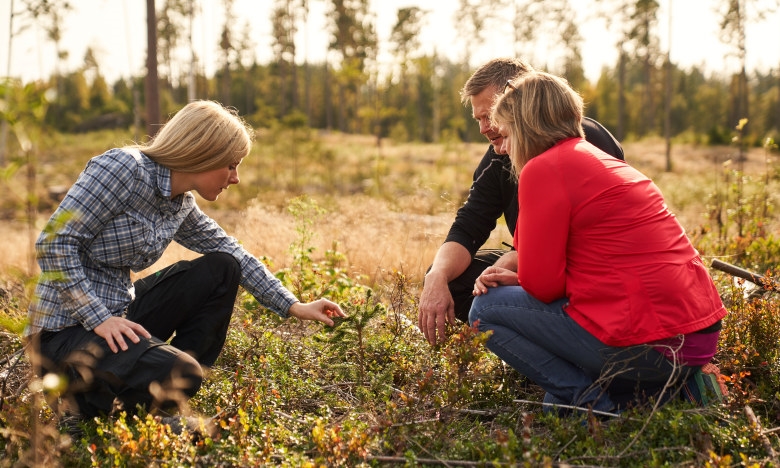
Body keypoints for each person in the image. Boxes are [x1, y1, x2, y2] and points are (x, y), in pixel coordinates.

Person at [25, 100, 345, 424]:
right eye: (232, 165)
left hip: (118, 320)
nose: (235, 178)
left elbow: (233, 252)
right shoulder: (123, 168)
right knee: (181, 372)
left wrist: (294, 305)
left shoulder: (181, 205)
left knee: (223, 267)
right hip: (63, 335)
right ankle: (86, 410)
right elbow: (54, 242)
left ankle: (166, 399)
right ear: (205, 152)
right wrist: (97, 319)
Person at [468, 71, 727, 413]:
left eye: (508, 132)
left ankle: (596, 410)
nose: (507, 145)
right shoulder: (599, 159)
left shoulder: (543, 169)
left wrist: (518, 281)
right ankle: (674, 392)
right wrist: (522, 279)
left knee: (485, 309)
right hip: (696, 339)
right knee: (552, 405)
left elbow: (544, 288)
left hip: (656, 343)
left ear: (525, 126)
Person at [418, 58, 624, 345]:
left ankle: (566, 356)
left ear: (520, 99)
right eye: (478, 119)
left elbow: (588, 240)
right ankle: (525, 354)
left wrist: (512, 262)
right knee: (453, 280)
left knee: (493, 293)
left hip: (587, 271)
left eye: (489, 114)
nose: (483, 128)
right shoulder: (497, 160)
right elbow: (469, 225)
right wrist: (436, 276)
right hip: (539, 266)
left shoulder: (585, 142)